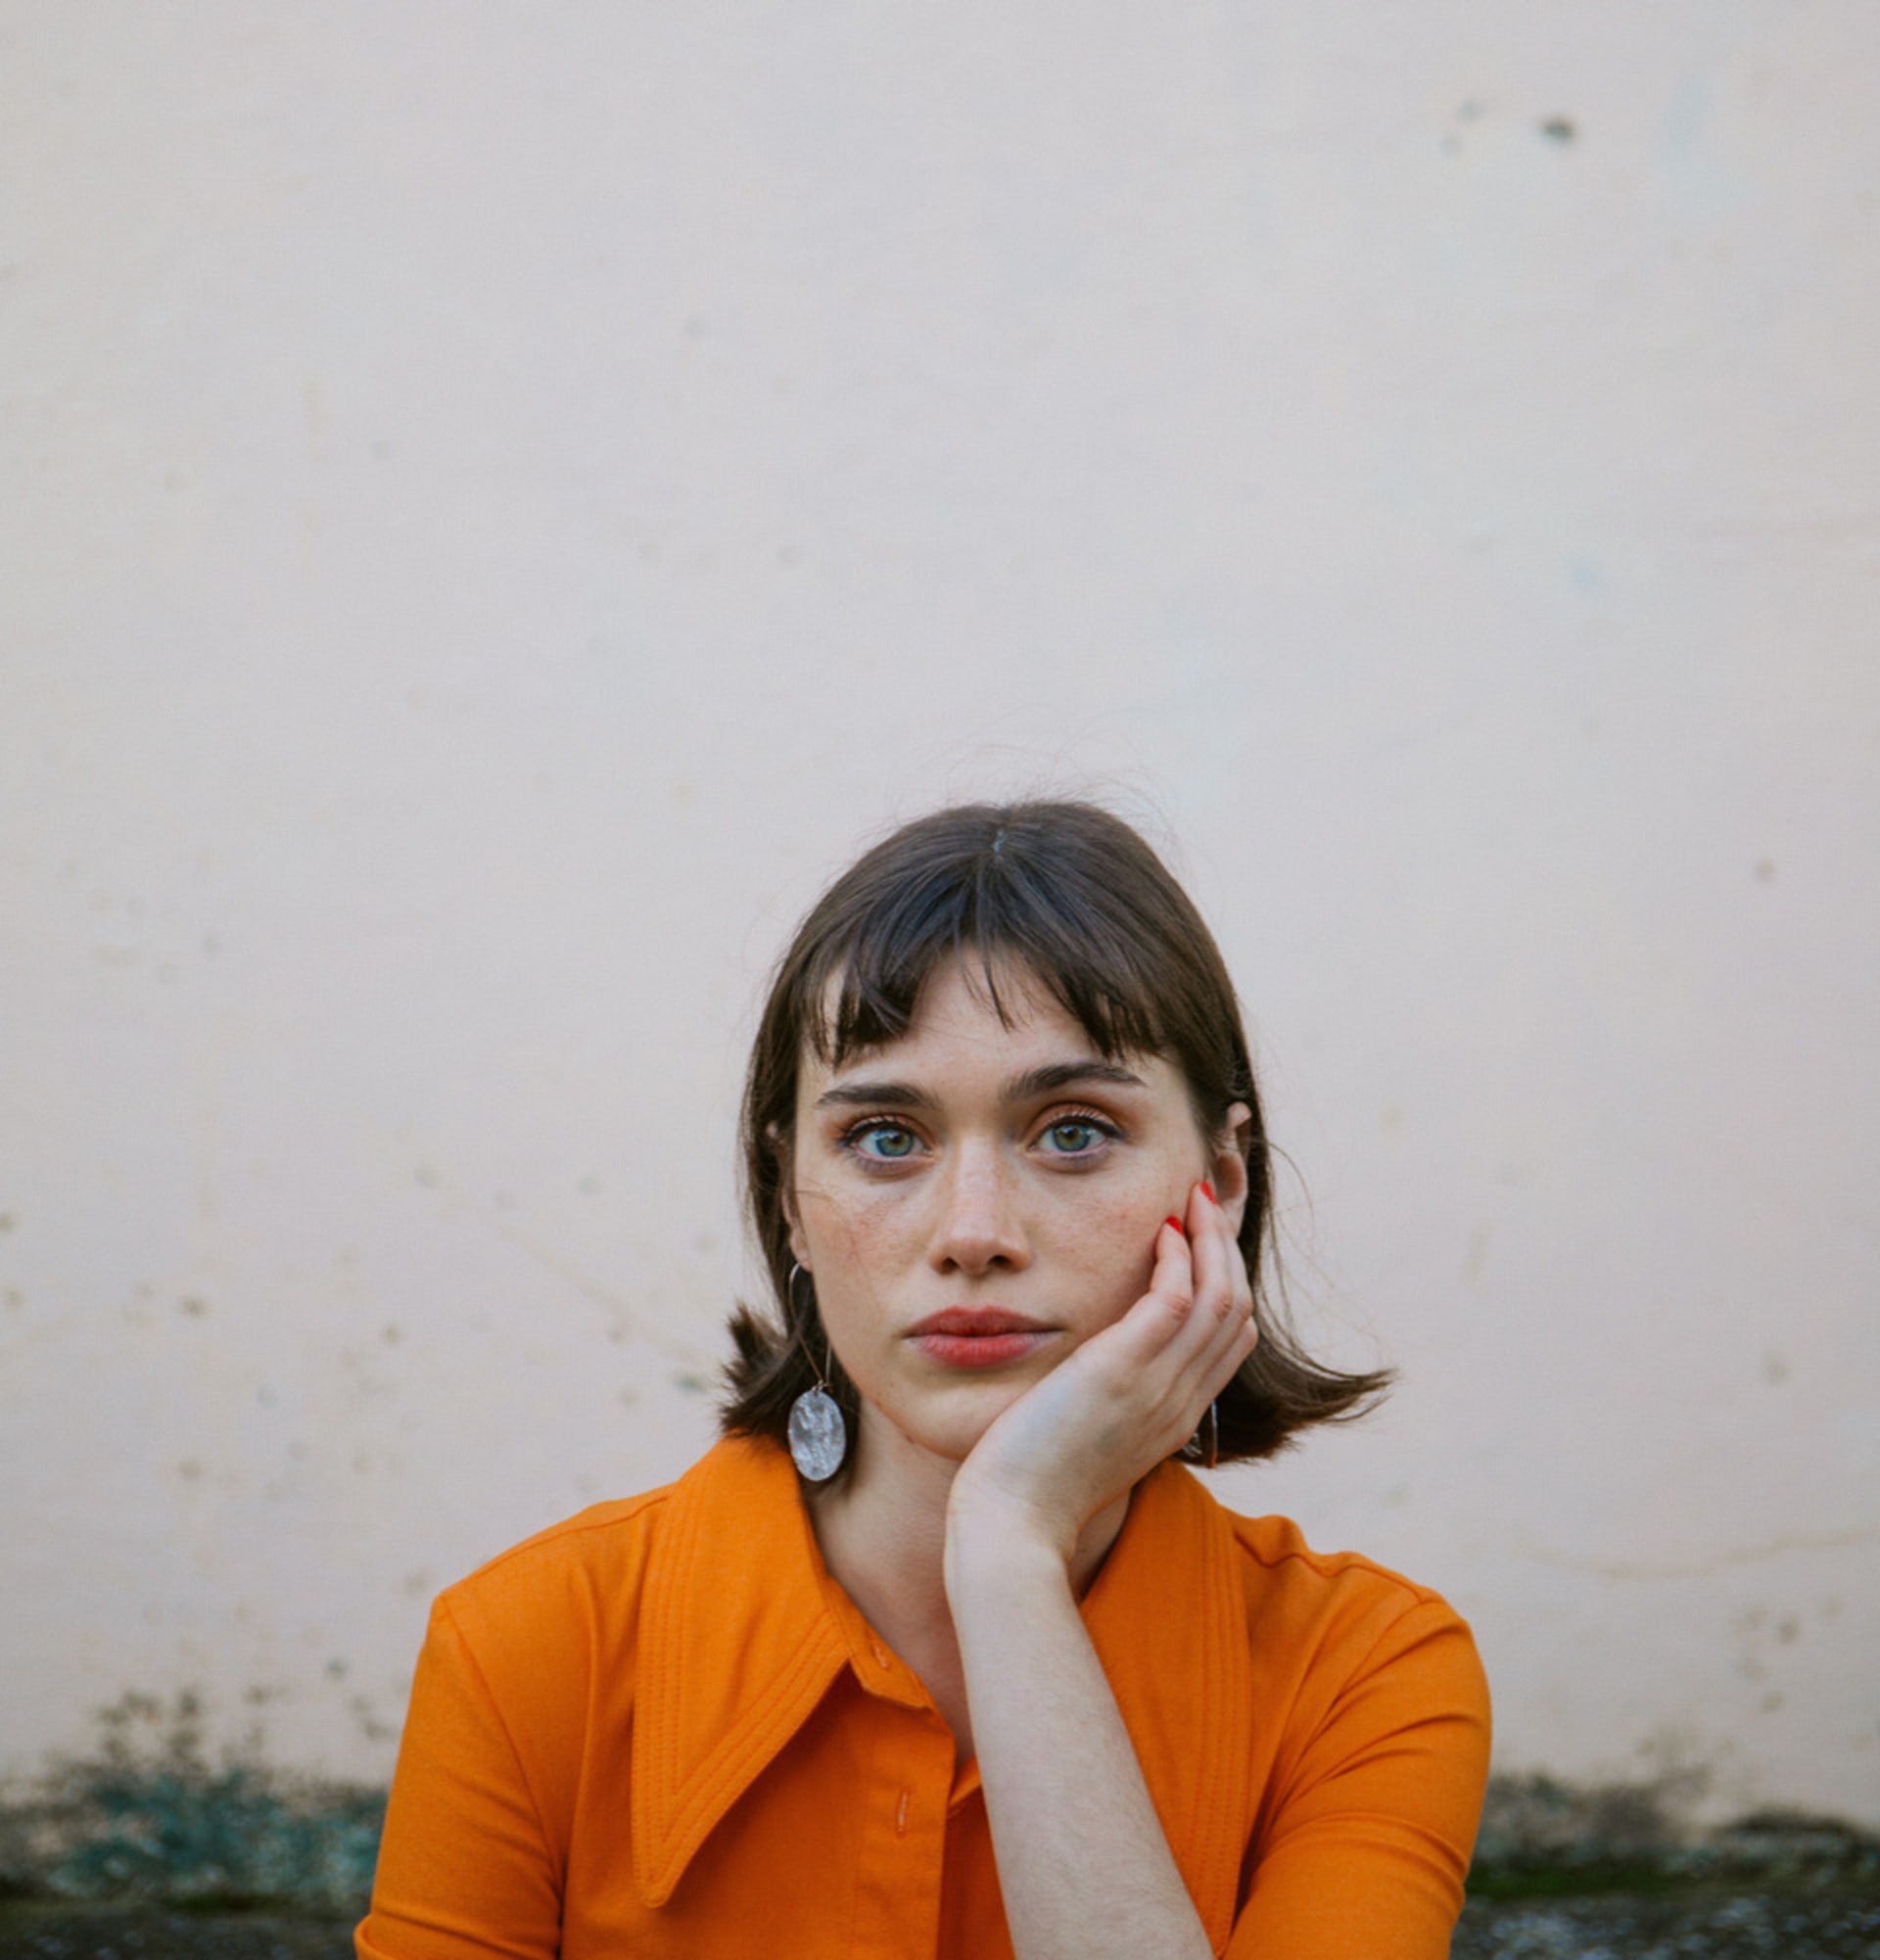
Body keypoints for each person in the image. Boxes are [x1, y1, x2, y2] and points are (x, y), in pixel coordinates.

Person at [356, 801, 1490, 1960]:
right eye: (887, 1138)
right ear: (791, 1201)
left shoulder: (1364, 1674)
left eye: (1075, 1130)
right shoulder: (531, 1650)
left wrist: (1007, 1549)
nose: (974, 1232)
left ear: (1224, 1181)